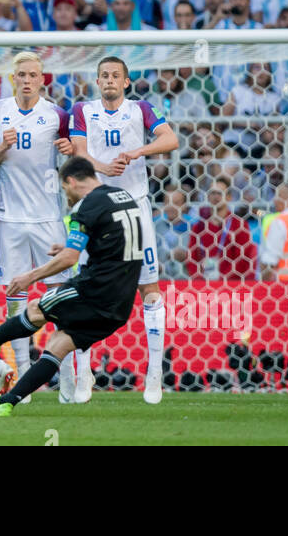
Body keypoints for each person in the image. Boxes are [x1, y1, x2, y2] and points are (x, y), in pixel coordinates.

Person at [0, 157, 148, 416]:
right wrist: (72, 246)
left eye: (64, 189)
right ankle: (8, 402)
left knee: (36, 308)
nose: (66, 195)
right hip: (121, 303)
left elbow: (70, 259)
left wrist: (29, 277)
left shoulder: (87, 206)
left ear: (71, 181)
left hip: (95, 291)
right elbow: (114, 240)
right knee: (58, 345)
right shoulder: (122, 196)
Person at [69, 56, 179, 404]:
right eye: (104, 76)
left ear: (127, 82)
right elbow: (79, 152)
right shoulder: (83, 110)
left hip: (136, 205)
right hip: (97, 205)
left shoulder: (141, 109)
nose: (110, 80)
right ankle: (84, 373)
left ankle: (154, 374)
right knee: (83, 286)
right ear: (97, 81)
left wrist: (136, 153)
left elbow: (170, 138)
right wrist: (105, 166)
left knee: (149, 287)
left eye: (116, 75)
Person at [0, 51, 74, 400]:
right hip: (9, 217)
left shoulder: (56, 114)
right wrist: (2, 147)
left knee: (61, 296)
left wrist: (67, 148)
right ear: (13, 78)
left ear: (42, 79)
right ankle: (23, 378)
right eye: (21, 74)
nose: (28, 80)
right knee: (15, 296)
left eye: (33, 74)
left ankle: (66, 377)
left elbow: (73, 154)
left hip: (49, 215)